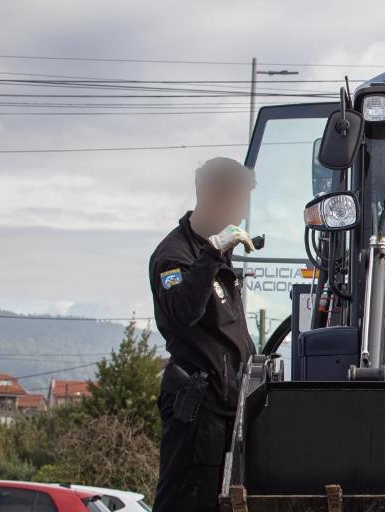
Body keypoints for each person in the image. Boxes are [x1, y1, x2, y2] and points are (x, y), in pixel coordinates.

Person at [149, 157, 259, 512]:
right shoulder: (175, 256)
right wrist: (211, 254)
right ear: (215, 197)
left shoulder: (214, 255)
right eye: (239, 203)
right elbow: (184, 313)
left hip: (226, 403)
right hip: (197, 405)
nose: (241, 215)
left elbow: (228, 332)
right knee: (189, 500)